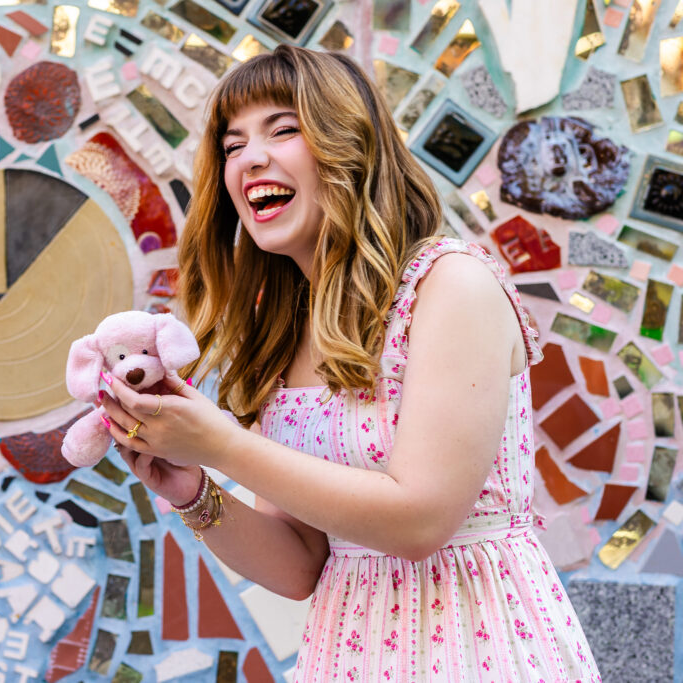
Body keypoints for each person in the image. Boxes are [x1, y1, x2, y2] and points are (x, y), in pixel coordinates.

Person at [98, 45, 601, 681]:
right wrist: (195, 492)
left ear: (351, 145)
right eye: (233, 145)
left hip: (481, 648)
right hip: (348, 654)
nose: (252, 157)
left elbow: (421, 519)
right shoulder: (282, 332)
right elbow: (302, 563)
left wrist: (221, 447)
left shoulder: (451, 284)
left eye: (284, 129)